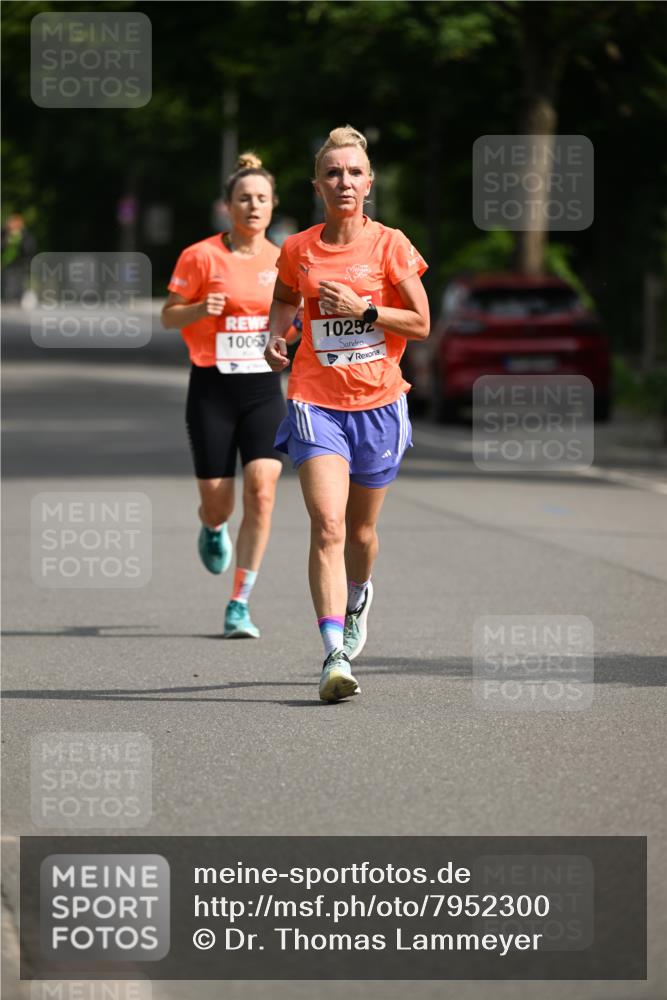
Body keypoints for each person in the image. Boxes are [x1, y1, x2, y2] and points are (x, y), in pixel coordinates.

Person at [265, 126, 429, 702]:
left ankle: (358, 595)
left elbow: (421, 322)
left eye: (354, 173)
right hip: (314, 399)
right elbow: (286, 299)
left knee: (360, 531)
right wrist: (276, 335)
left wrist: (365, 310)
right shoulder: (299, 249)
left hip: (380, 402)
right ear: (317, 185)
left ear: (369, 182)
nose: (344, 182)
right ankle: (333, 655)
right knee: (327, 524)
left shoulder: (391, 245)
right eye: (333, 173)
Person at [162, 153, 300, 638]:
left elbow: (294, 321)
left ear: (273, 205)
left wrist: (292, 337)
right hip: (212, 390)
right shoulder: (201, 256)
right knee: (220, 504)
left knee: (262, 492)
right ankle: (213, 526)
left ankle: (239, 602)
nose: (253, 206)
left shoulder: (286, 259)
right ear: (228, 206)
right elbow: (168, 316)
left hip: (264, 390)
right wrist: (200, 307)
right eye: (244, 198)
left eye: (262, 198)